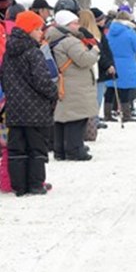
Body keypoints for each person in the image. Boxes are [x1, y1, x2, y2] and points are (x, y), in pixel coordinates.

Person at [0, 11, 57, 196]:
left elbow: (4, 78)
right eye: (39, 29)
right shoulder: (33, 52)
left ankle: (19, 186)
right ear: (30, 30)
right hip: (36, 109)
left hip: (15, 108)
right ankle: (35, 184)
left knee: (17, 149)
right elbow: (42, 81)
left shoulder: (9, 52)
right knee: (36, 148)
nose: (41, 33)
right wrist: (53, 93)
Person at [46, 10, 100, 161]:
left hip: (64, 82)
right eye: (75, 23)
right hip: (75, 84)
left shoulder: (53, 38)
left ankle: (60, 150)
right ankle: (75, 150)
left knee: (63, 117)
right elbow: (84, 60)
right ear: (66, 25)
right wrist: (95, 51)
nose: (78, 26)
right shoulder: (70, 41)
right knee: (77, 118)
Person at [104, 11, 136, 123]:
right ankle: (126, 114)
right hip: (127, 63)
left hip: (112, 62)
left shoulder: (109, 32)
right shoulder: (130, 33)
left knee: (111, 88)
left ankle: (107, 114)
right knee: (125, 89)